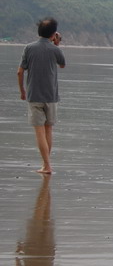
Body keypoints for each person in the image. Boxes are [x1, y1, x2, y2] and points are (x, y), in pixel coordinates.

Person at [17, 17, 66, 174]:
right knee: (48, 130)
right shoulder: (55, 49)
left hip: (34, 96)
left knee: (39, 131)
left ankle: (47, 166)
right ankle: (46, 165)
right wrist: (57, 45)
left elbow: (20, 71)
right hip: (51, 96)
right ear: (53, 34)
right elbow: (62, 64)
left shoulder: (29, 48)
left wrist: (22, 91)